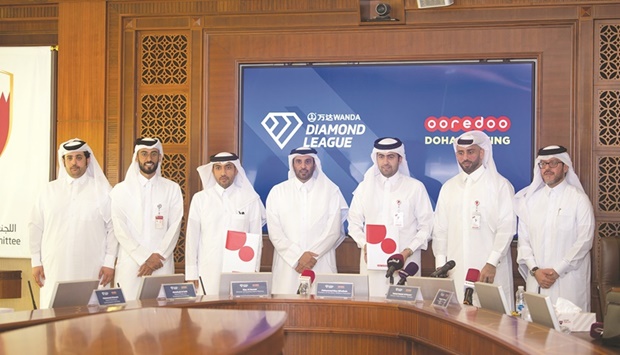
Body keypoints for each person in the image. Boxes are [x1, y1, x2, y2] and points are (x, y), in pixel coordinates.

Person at [29, 138, 118, 308]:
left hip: (92, 267)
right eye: (69, 158)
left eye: (78, 157)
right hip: (54, 266)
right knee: (52, 317)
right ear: (63, 161)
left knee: (91, 320)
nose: (74, 163)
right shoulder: (48, 191)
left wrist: (109, 262)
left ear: (87, 160)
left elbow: (113, 228)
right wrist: (36, 262)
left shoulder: (103, 191)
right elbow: (35, 226)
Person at [432, 131, 516, 307]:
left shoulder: (500, 186)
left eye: (471, 152)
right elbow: (440, 230)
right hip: (455, 271)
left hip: (489, 271)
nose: (465, 158)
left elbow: (506, 229)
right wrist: (441, 266)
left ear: (482, 153)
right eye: (461, 153)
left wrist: (491, 263)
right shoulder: (449, 188)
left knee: (493, 325)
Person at [347, 137, 434, 297]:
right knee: (371, 313)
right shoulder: (364, 188)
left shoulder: (415, 188)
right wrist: (366, 245)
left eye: (391, 156)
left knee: (406, 315)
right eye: (381, 156)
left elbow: (427, 227)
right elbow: (353, 223)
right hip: (371, 263)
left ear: (400, 159)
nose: (385, 162)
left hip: (406, 263)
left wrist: (407, 252)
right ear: (376, 158)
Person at [513, 145, 595, 311]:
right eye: (543, 164)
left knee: (570, 332)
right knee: (536, 333)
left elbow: (585, 241)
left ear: (565, 167)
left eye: (553, 163)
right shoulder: (529, 201)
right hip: (537, 281)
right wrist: (535, 270)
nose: (547, 168)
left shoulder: (579, 199)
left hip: (568, 281)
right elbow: (524, 241)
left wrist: (557, 270)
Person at [266, 147, 348, 294]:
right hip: (289, 266)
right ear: (292, 164)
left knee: (323, 313)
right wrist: (297, 258)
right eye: (298, 162)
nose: (303, 166)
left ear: (314, 164)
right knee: (286, 311)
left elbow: (333, 231)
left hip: (320, 263)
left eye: (307, 162)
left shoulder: (331, 191)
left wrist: (310, 257)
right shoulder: (277, 192)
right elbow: (275, 233)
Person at [110, 137, 183, 300]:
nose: (149, 159)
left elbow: (175, 226)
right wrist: (144, 258)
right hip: (132, 264)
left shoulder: (172, 189)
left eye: (153, 154)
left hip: (161, 264)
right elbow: (120, 229)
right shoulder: (120, 191)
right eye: (144, 154)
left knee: (162, 316)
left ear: (160, 157)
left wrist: (158, 256)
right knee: (128, 316)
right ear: (136, 157)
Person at [185, 152, 266, 295]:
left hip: (240, 270)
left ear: (236, 170)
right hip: (207, 270)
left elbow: (256, 239)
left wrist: (253, 272)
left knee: (238, 314)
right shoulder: (200, 199)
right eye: (218, 168)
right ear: (212, 171)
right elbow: (192, 239)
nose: (223, 172)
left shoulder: (250, 199)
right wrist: (191, 274)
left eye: (228, 167)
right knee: (207, 314)